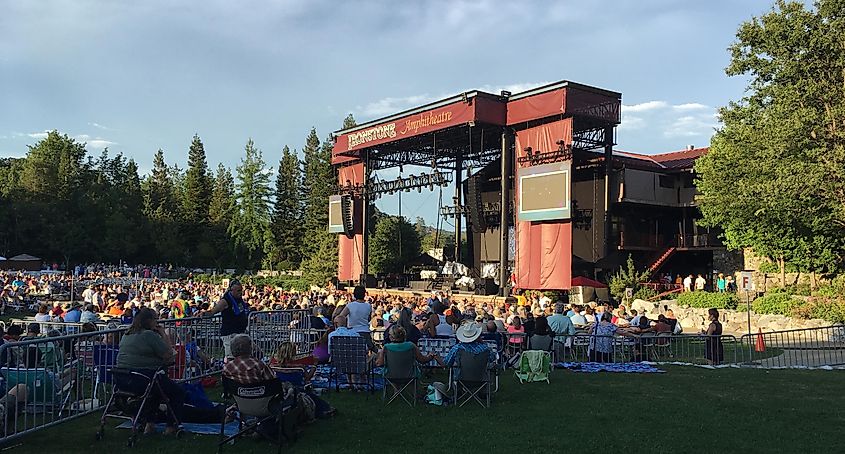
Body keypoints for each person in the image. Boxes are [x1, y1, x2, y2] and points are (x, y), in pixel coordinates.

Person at [114, 308, 183, 435]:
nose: (157, 322)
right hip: (142, 379)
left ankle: (149, 424)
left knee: (155, 391)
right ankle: (171, 426)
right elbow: (169, 354)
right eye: (156, 319)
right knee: (177, 392)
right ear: (150, 320)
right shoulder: (149, 335)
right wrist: (163, 334)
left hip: (123, 379)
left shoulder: (127, 334)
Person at [204, 279, 250, 360]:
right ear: (231, 290)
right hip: (229, 333)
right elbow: (213, 311)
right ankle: (229, 371)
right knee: (231, 357)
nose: (241, 292)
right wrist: (203, 314)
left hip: (240, 332)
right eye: (238, 290)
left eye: (241, 290)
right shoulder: (225, 301)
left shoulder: (239, 300)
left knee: (250, 353)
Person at [376, 325, 442, 372]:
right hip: (410, 374)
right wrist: (431, 356)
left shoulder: (386, 347)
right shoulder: (411, 346)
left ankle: (396, 390)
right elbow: (422, 360)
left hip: (390, 375)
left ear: (391, 337)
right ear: (404, 335)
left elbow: (380, 363)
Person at [337, 286, 376, 351]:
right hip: (365, 331)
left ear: (354, 294)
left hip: (352, 332)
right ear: (364, 294)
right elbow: (369, 318)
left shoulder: (350, 305)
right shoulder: (368, 306)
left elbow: (341, 317)